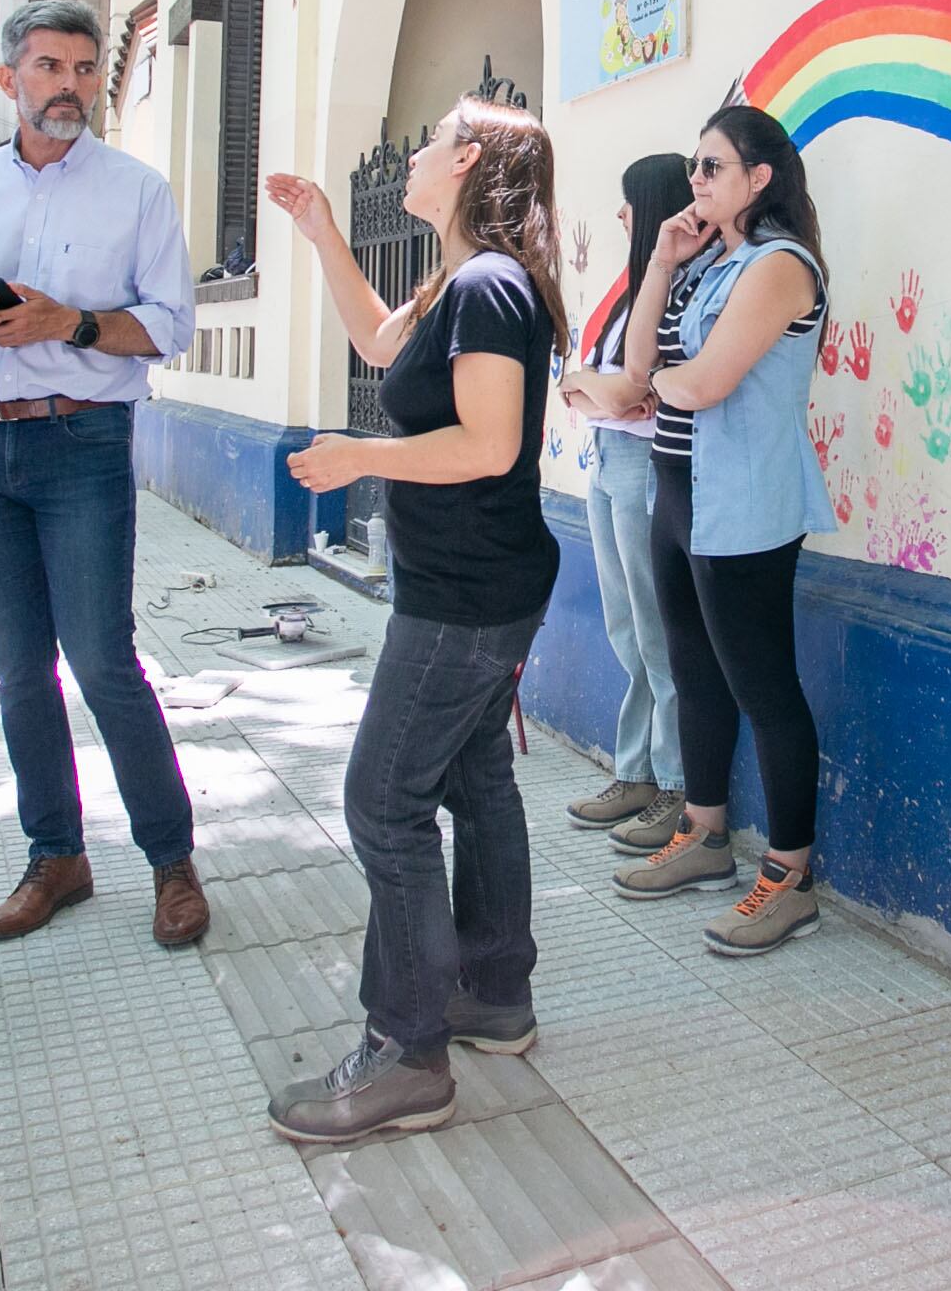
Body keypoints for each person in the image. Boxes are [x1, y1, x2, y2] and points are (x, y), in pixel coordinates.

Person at [259, 96, 565, 1142]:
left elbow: (487, 441)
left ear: (469, 158)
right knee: (475, 779)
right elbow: (382, 346)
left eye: (433, 137)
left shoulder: (488, 286)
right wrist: (323, 235)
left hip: (466, 599)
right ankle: (495, 991)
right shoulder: (457, 282)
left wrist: (362, 456)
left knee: (384, 800)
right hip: (478, 588)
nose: (419, 152)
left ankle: (408, 1048)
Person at [0, 0, 208, 950]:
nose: (70, 85)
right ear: (11, 81)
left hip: (81, 446)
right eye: (48, 68)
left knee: (103, 660)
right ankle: (57, 857)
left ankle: (171, 862)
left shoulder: (137, 192)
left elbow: (168, 325)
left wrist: (64, 322)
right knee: (16, 670)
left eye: (84, 68)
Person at [612, 104, 836, 957]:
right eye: (697, 169)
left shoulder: (781, 268)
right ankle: (706, 836)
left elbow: (699, 384)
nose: (696, 183)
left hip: (741, 503)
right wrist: (663, 263)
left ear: (759, 179)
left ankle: (788, 877)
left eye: (712, 167)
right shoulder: (712, 262)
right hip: (680, 490)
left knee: (763, 687)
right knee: (695, 671)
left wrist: (631, 392)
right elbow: (643, 367)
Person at [553, 153, 696, 851]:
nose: (619, 215)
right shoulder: (633, 291)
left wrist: (595, 387)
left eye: (627, 202)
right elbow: (583, 387)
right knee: (624, 625)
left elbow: (627, 392)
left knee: (657, 630)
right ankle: (637, 770)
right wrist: (593, 385)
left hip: (643, 461)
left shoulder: (676, 289)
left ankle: (674, 784)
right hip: (608, 461)